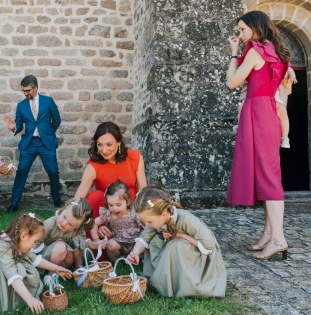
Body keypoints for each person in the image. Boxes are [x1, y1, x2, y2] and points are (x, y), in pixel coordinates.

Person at [226, 11, 290, 260]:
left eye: (242, 30)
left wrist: (233, 53)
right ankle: (267, 233)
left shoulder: (255, 52)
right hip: (266, 112)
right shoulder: (276, 51)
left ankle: (278, 239)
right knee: (265, 175)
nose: (240, 35)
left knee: (269, 178)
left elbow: (232, 82)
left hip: (259, 112)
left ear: (255, 27)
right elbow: (283, 79)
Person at [0, 212, 73, 313]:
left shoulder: (18, 241)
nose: (34, 246)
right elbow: (12, 275)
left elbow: (34, 259)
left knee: (24, 264)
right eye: (35, 241)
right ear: (24, 236)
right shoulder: (3, 246)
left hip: (5, 270)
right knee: (17, 267)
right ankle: (3, 299)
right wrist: (29, 299)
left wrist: (56, 268)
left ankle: (20, 294)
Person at [127, 186, 227, 298]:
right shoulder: (156, 219)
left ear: (163, 215)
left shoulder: (186, 220)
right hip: (175, 252)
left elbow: (209, 245)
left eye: (149, 221)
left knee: (176, 245)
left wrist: (180, 235)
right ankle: (166, 282)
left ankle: (185, 285)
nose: (147, 225)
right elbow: (144, 237)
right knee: (157, 241)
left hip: (196, 254)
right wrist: (135, 252)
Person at [74, 121, 147, 239]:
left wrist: (141, 216)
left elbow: (144, 192)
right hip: (107, 213)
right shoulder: (93, 166)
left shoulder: (134, 157)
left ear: (118, 143)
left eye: (109, 144)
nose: (104, 150)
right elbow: (78, 200)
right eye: (100, 145)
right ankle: (97, 248)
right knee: (94, 195)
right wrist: (93, 223)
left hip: (132, 210)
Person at [5, 75, 62, 212]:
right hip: (29, 144)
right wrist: (14, 128)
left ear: (36, 88)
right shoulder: (21, 105)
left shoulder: (48, 101)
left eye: (28, 90)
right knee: (21, 172)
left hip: (45, 144)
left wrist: (48, 133)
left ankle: (57, 199)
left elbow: (57, 120)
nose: (26, 93)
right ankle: (14, 203)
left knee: (53, 171)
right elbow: (19, 125)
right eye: (23, 91)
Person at [33, 198, 106, 273]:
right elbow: (34, 245)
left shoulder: (78, 229)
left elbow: (83, 240)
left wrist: (94, 245)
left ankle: (78, 271)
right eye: (64, 217)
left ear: (78, 226)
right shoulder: (49, 225)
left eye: (70, 224)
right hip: (46, 259)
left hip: (64, 259)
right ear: (63, 209)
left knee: (78, 240)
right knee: (60, 246)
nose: (64, 223)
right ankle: (51, 275)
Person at [238, 67, 297, 148]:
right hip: (257, 91)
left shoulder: (281, 62)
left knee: (282, 113)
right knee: (241, 108)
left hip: (274, 91)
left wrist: (292, 76)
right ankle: (242, 131)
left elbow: (289, 69)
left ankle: (284, 137)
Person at [90, 179, 143, 262]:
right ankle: (116, 263)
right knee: (111, 244)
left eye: (118, 205)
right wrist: (96, 240)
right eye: (110, 205)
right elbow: (93, 223)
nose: (114, 208)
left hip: (135, 244)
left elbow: (145, 224)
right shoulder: (108, 215)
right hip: (119, 245)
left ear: (128, 201)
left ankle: (138, 260)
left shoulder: (133, 213)